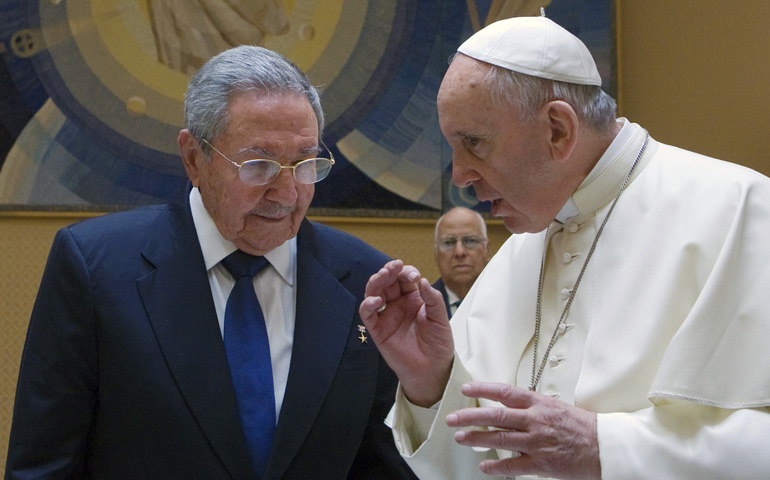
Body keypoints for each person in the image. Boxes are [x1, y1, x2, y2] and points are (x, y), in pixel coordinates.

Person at [359, 15, 770, 480]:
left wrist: (604, 449)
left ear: (558, 129)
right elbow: (483, 463)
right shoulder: (521, 245)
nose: (459, 175)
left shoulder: (741, 209)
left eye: (474, 142)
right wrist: (433, 382)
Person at [5, 45, 416, 480]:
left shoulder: (364, 280)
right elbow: (43, 467)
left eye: (304, 164)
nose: (288, 193)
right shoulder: (96, 268)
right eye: (259, 165)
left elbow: (384, 465)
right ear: (193, 158)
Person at [431, 207, 490, 317]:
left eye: (471, 241)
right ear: (436, 254)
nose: (459, 252)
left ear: (487, 250)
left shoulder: (509, 302)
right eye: (448, 243)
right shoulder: (420, 308)